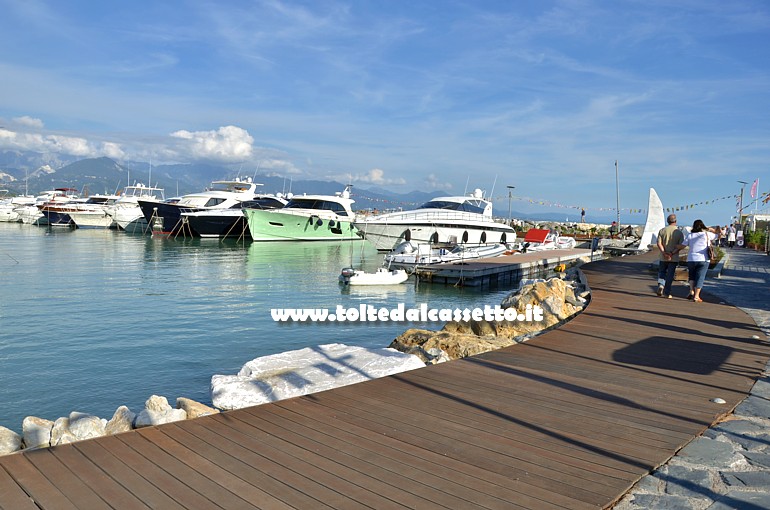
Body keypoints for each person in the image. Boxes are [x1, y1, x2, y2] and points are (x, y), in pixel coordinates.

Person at [676, 220, 719, 302]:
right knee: (700, 277)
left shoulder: (690, 235)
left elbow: (682, 246)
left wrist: (673, 247)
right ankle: (696, 296)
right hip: (703, 259)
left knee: (691, 276)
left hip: (691, 259)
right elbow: (719, 236)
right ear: (702, 226)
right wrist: (711, 229)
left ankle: (691, 291)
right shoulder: (707, 234)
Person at [655, 214, 684, 298]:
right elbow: (680, 246)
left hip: (663, 256)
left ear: (667, 221)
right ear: (675, 221)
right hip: (673, 257)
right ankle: (667, 292)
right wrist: (672, 253)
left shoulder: (662, 231)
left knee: (662, 272)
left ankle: (661, 285)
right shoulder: (679, 232)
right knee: (670, 275)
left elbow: (659, 243)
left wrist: (664, 252)